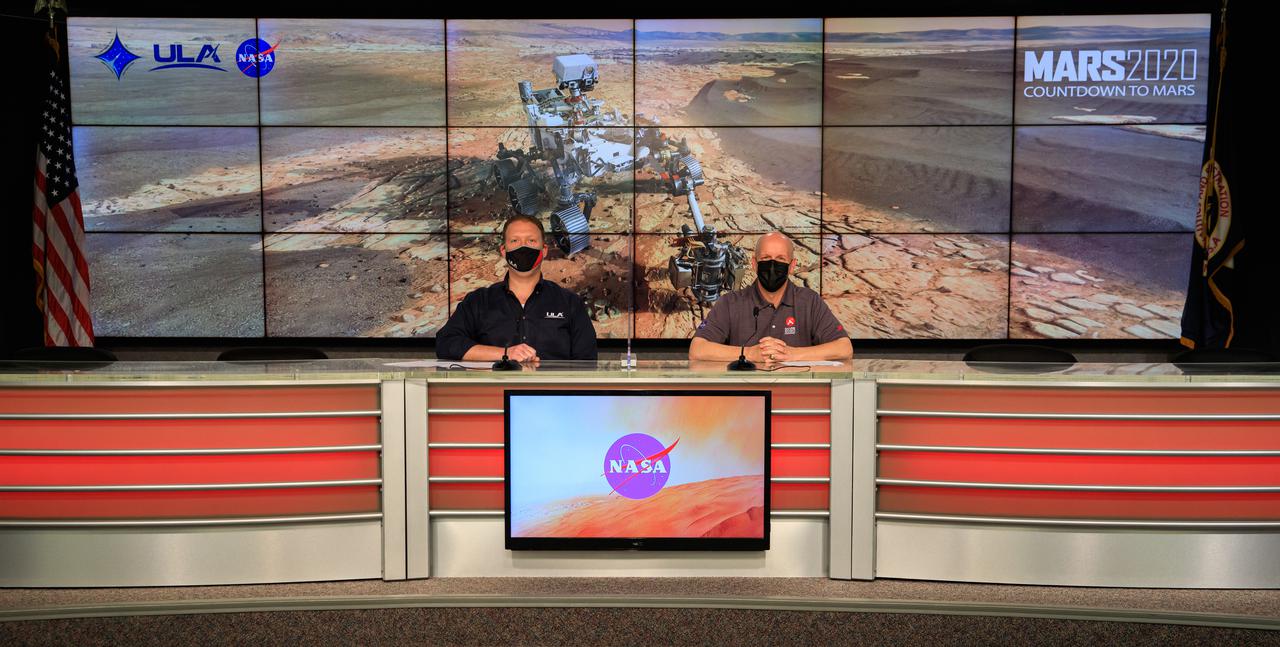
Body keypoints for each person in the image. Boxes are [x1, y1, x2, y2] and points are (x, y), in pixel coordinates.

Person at [436, 215, 597, 363]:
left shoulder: (570, 303)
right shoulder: (478, 301)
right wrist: (505, 354)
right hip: (495, 386)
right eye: (515, 241)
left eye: (531, 240)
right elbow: (446, 343)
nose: (523, 246)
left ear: (544, 250)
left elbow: (587, 363)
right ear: (503, 251)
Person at [689, 232, 852, 364]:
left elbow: (844, 348)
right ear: (754, 264)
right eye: (766, 258)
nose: (772, 266)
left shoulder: (809, 301)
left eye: (780, 259)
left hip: (796, 391)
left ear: (792, 266)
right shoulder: (730, 302)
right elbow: (697, 350)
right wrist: (748, 354)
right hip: (747, 392)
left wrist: (791, 354)